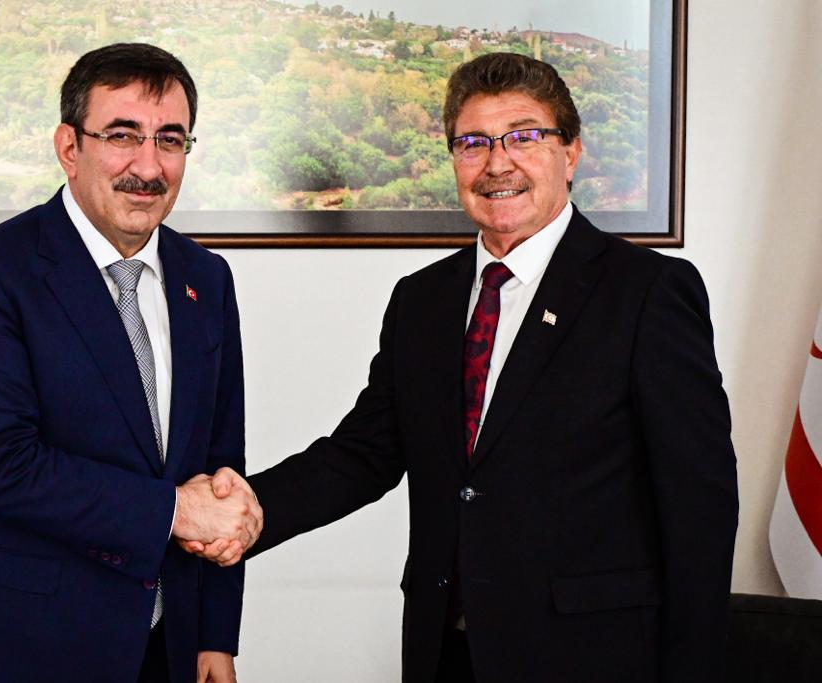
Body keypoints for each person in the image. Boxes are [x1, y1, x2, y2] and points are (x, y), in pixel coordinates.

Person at [191, 52, 738, 682]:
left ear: (571, 153)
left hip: (592, 656)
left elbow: (700, 506)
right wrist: (252, 509)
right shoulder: (422, 300)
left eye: (524, 137)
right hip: (446, 652)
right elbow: (365, 453)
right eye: (473, 142)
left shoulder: (647, 292)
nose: (497, 163)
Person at [0, 43, 260, 683]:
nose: (148, 166)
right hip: (16, 642)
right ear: (69, 147)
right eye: (122, 136)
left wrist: (214, 634)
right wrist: (173, 511)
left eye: (170, 140)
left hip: (166, 643)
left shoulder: (207, 278)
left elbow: (219, 470)